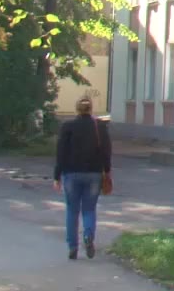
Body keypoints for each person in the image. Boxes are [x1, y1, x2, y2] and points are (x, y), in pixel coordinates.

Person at [53, 97, 112, 260]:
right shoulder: (99, 127)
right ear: (91, 109)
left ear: (77, 109)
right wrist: (107, 171)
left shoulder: (68, 126)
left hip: (71, 173)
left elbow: (61, 153)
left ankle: (72, 247)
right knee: (89, 209)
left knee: (72, 210)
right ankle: (88, 235)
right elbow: (106, 151)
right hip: (94, 174)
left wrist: (57, 176)